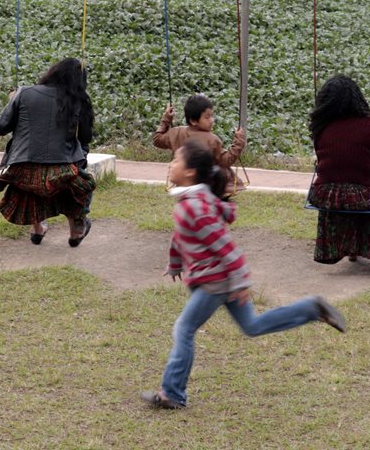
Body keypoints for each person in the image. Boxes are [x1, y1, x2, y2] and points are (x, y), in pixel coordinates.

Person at [140, 140, 346, 410]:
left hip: (217, 282)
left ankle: (172, 393)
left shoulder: (195, 206)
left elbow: (227, 248)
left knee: (184, 328)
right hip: (220, 279)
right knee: (252, 326)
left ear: (190, 172)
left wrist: (240, 282)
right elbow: (182, 235)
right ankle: (311, 308)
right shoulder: (193, 201)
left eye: (175, 160)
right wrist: (176, 262)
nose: (171, 164)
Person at [307, 75, 370, 277]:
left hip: (325, 194)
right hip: (359, 195)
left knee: (354, 197)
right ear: (358, 98)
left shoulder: (321, 128)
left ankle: (352, 249)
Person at [0, 57, 96, 246]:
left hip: (21, 169)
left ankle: (37, 228)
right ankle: (76, 229)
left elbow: (1, 127)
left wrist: (12, 102)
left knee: (35, 181)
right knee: (80, 182)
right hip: (62, 171)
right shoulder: (78, 101)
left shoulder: (24, 93)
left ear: (53, 73)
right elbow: (86, 138)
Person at [152, 94, 246, 187]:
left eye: (211, 116)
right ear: (193, 120)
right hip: (207, 186)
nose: (212, 120)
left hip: (183, 184)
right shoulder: (212, 140)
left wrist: (166, 119)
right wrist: (239, 142)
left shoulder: (176, 133)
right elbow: (226, 161)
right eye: (207, 117)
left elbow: (157, 140)